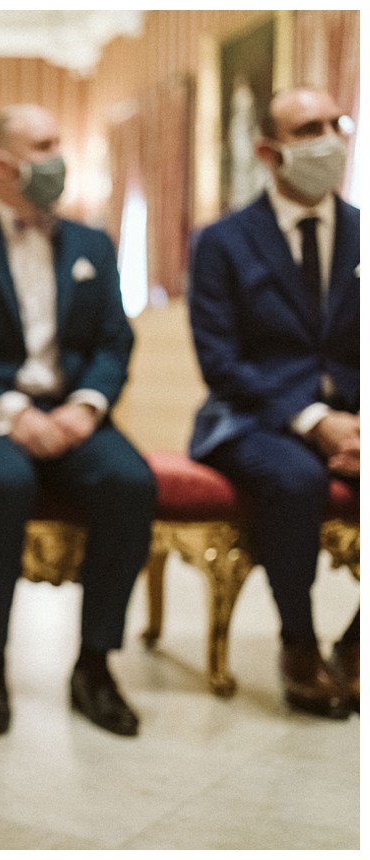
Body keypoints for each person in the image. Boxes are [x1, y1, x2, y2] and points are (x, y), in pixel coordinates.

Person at [0, 104, 156, 737]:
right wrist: (13, 412)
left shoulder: (92, 245)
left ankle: (95, 665)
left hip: (74, 413)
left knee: (130, 482)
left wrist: (84, 409)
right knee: (4, 482)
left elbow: (113, 342)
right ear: (2, 165)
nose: (59, 157)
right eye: (45, 145)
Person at [188, 87, 359, 719]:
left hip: (355, 419)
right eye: (307, 127)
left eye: (335, 123)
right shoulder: (223, 241)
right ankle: (299, 643)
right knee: (296, 478)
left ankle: (358, 644)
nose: (329, 139)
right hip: (250, 417)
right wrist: (316, 422)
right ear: (268, 150)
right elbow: (220, 362)